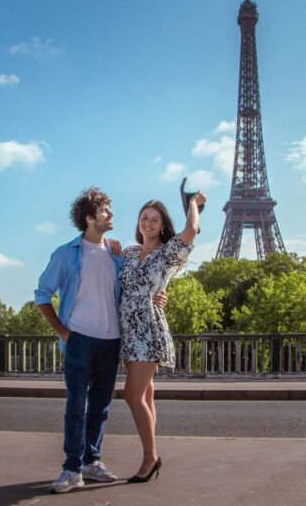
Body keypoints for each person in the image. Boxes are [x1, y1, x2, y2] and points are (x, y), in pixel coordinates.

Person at [35, 187, 166, 493]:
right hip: (80, 340)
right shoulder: (67, 254)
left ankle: (91, 461)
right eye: (106, 210)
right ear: (90, 217)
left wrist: (159, 296)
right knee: (76, 405)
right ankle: (71, 468)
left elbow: (138, 288)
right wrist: (63, 331)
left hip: (111, 341)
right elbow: (42, 295)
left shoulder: (117, 256)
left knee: (100, 407)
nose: (112, 214)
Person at [119, 191, 206, 483]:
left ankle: (150, 457)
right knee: (146, 394)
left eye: (155, 219)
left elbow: (192, 231)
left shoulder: (167, 253)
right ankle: (150, 454)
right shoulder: (128, 253)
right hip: (128, 332)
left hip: (149, 330)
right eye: (144, 218)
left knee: (132, 395)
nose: (148, 223)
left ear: (162, 225)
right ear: (138, 222)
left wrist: (193, 203)